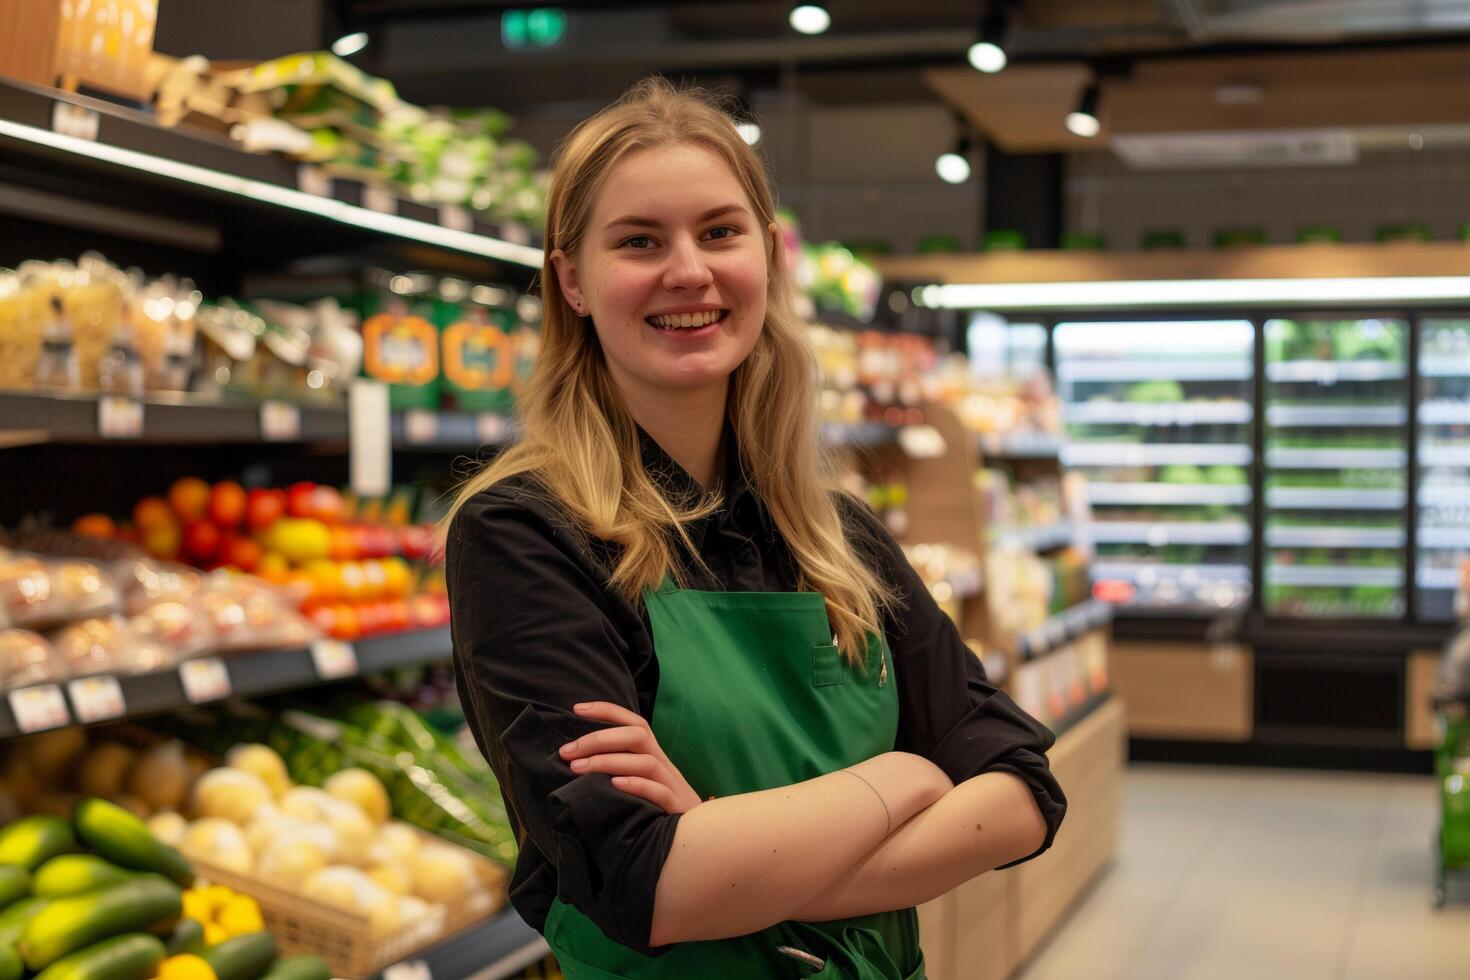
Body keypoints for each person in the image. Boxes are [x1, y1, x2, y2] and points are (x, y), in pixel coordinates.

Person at [443, 76, 1065, 979]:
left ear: (770, 259)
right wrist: (900, 780)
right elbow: (641, 884)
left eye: (720, 232)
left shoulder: (837, 536)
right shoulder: (524, 536)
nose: (688, 270)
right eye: (639, 241)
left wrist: (728, 850)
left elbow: (1021, 793)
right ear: (572, 281)